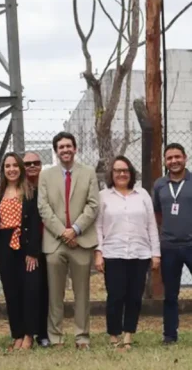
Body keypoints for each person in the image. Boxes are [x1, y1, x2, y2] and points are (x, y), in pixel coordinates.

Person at [38, 131, 99, 349]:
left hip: (81, 242)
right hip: (55, 243)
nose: (65, 150)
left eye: (68, 146)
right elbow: (43, 208)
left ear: (75, 148)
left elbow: (93, 205)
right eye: (61, 147)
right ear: (56, 151)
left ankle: (82, 337)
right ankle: (56, 337)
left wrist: (75, 230)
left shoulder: (88, 173)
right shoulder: (45, 176)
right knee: (55, 294)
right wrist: (62, 232)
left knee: (82, 293)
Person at [96, 156, 160, 349]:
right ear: (112, 174)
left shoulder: (142, 195)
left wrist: (155, 253)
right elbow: (97, 226)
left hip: (139, 253)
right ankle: (114, 336)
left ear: (131, 173)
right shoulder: (103, 196)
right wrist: (98, 252)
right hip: (113, 252)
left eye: (125, 170)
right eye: (117, 171)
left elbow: (151, 225)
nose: (122, 174)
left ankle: (128, 335)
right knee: (115, 295)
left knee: (134, 296)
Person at [0, 153, 42, 351]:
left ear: (20, 168)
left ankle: (29, 335)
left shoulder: (30, 192)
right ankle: (17, 335)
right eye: (7, 166)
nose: (11, 169)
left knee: (29, 291)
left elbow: (36, 222)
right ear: (3, 170)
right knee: (11, 292)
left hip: (25, 244)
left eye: (14, 165)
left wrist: (33, 252)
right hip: (4, 245)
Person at [153, 143, 192, 345]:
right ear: (165, 161)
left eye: (177, 157)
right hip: (168, 247)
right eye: (169, 158)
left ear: (185, 158)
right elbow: (158, 214)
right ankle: (170, 335)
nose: (174, 161)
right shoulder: (159, 185)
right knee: (170, 294)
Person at [23, 151, 50, 348]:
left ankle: (44, 333)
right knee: (30, 291)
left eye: (36, 162)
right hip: (25, 249)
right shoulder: (20, 190)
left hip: (48, 245)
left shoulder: (47, 186)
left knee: (46, 291)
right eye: (27, 163)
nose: (32, 166)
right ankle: (27, 332)